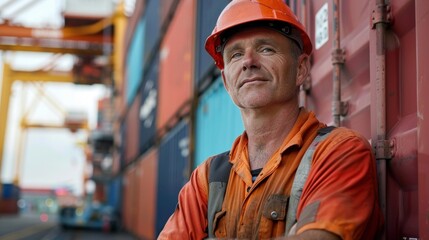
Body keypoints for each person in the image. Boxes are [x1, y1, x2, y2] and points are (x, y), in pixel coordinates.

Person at [158, 0, 383, 239]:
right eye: (235, 54)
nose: (248, 62)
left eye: (266, 49)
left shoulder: (340, 152)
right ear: (226, 82)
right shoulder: (207, 179)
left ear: (301, 69)